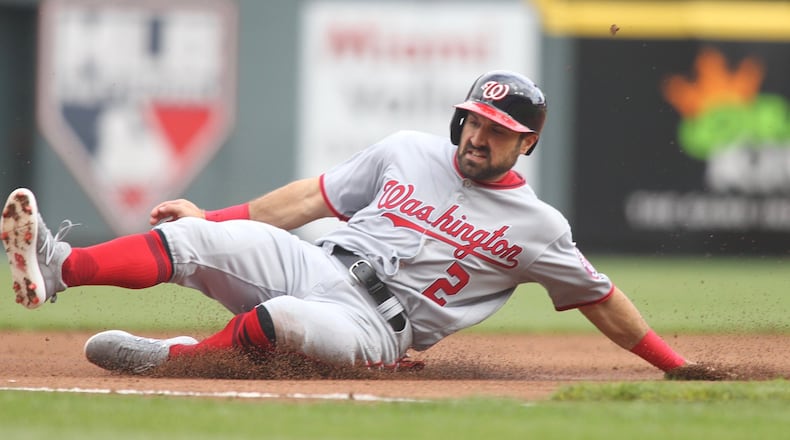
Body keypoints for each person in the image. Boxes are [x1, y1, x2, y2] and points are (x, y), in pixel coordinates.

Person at [1, 70, 703, 379]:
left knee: (284, 322)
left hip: (378, 326)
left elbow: (601, 298)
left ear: (528, 144)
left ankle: (170, 361)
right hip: (319, 259)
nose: (478, 137)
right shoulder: (406, 150)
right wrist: (210, 214)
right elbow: (307, 201)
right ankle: (60, 265)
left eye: (500, 130)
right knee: (190, 240)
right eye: (475, 120)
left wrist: (675, 366)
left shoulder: (537, 226)